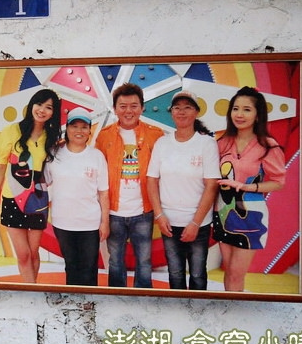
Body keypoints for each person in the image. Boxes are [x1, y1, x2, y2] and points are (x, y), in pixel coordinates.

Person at [212, 86, 286, 291]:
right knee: (229, 272)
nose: (239, 114)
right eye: (235, 109)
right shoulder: (222, 142)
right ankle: (228, 318)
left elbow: (279, 182)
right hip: (223, 213)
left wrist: (246, 186)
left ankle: (234, 318)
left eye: (246, 109)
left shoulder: (268, 145)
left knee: (237, 273)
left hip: (251, 216)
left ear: (257, 114)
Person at [147, 90, 221, 290]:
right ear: (171, 113)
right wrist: (160, 216)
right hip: (168, 223)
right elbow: (152, 180)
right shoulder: (162, 143)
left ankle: (198, 316)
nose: (182, 112)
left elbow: (211, 185)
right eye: (177, 108)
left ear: (196, 112)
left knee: (197, 274)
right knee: (175, 273)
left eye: (187, 107)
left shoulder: (207, 143)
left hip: (198, 223)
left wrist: (196, 223)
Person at [0, 88, 61, 283]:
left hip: (38, 199)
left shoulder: (52, 137)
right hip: (12, 197)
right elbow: (1, 167)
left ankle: (32, 290)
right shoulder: (12, 131)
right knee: (23, 254)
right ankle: (30, 288)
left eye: (48, 107)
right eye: (39, 104)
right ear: (31, 105)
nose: (42, 110)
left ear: (54, 112)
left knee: (34, 252)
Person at [95, 82, 165, 288]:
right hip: (114, 211)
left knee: (144, 261)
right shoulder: (104, 135)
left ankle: (144, 298)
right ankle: (117, 297)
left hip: (144, 210)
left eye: (134, 105)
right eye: (123, 106)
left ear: (142, 108)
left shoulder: (156, 135)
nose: (128, 111)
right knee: (115, 261)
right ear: (115, 109)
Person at [44, 107, 109, 286]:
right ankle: (73, 306)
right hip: (62, 222)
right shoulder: (54, 155)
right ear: (67, 129)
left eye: (83, 127)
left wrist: (105, 222)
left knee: (89, 268)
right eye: (74, 126)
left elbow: (103, 192)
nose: (79, 131)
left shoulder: (96, 157)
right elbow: (44, 182)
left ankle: (90, 308)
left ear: (89, 131)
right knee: (71, 266)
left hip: (90, 223)